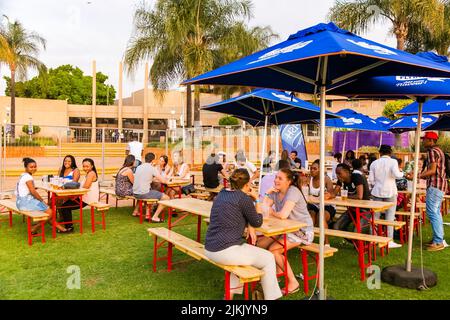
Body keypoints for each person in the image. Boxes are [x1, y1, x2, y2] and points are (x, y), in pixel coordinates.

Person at [204, 169, 282, 300]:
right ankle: (271, 298)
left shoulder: (221, 194)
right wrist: (256, 199)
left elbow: (235, 215)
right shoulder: (243, 198)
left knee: (241, 259)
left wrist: (249, 225)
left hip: (210, 247)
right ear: (247, 185)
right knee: (268, 258)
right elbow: (257, 221)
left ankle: (229, 295)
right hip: (225, 250)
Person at [258, 168, 314, 295]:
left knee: (274, 250)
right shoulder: (274, 192)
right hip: (287, 229)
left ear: (288, 181)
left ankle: (293, 282)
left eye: (280, 178)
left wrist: (271, 212)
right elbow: (261, 209)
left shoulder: (293, 191)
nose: (276, 180)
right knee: (260, 244)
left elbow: (283, 215)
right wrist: (267, 193)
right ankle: (275, 275)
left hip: (302, 231)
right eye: (276, 177)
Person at [406, 132, 447, 251]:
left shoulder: (432, 151)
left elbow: (432, 171)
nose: (423, 142)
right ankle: (438, 238)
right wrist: (418, 175)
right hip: (440, 185)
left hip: (435, 185)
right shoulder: (439, 150)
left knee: (432, 213)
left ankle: (438, 241)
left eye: (424, 140)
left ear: (430, 140)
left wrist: (416, 176)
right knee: (436, 213)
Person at [15, 158, 68, 234]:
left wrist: (34, 188)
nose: (33, 168)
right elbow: (33, 191)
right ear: (26, 167)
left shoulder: (23, 175)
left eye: (35, 167)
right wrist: (42, 201)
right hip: (26, 203)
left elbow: (28, 188)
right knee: (50, 212)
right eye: (31, 167)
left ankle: (61, 229)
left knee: (47, 212)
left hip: (20, 202)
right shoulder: (28, 177)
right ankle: (35, 228)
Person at [369, 145, 404, 249]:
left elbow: (371, 180)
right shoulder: (393, 162)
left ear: (380, 153)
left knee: (375, 216)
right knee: (390, 216)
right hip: (390, 191)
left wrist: (377, 184)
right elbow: (397, 175)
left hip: (377, 191)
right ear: (390, 152)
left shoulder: (374, 163)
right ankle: (389, 240)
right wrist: (402, 173)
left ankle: (373, 239)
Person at [59, 158, 100, 232]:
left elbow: (85, 188)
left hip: (88, 199)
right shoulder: (89, 173)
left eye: (87, 166)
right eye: (84, 166)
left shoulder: (91, 174)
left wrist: (75, 196)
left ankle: (69, 228)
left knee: (64, 207)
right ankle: (68, 225)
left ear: (92, 166)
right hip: (84, 197)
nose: (85, 168)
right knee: (65, 204)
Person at [333, 163, 371, 233]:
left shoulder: (356, 177)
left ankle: (358, 242)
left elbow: (359, 196)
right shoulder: (341, 180)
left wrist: (346, 197)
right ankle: (353, 241)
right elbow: (334, 194)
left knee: (356, 231)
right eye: (336, 174)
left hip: (364, 210)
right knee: (336, 227)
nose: (337, 176)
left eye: (339, 173)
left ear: (347, 172)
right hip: (352, 210)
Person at [133, 152, 171, 222]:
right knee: (166, 198)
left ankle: (146, 213)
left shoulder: (139, 167)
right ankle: (155, 217)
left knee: (151, 190)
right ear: (153, 160)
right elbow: (163, 181)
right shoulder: (152, 168)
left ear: (145, 159)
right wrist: (169, 181)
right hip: (144, 193)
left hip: (135, 193)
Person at [306, 160, 336, 242]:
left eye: (314, 169)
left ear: (320, 170)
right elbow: (305, 193)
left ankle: (326, 242)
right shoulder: (309, 179)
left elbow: (332, 194)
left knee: (321, 216)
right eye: (311, 168)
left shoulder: (326, 179)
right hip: (314, 205)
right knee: (311, 216)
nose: (312, 170)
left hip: (327, 206)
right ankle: (309, 240)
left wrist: (328, 195)